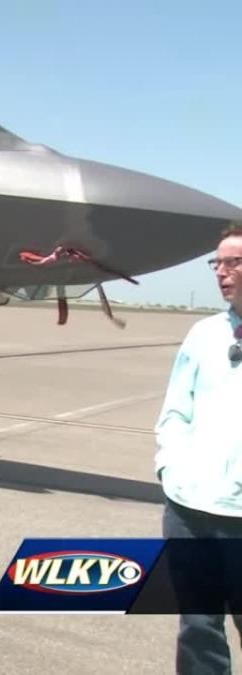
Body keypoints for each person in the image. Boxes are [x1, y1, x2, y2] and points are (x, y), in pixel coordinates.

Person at [154, 224, 242, 674]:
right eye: (217, 264)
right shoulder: (203, 334)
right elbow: (174, 412)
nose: (221, 273)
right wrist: (171, 470)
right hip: (190, 511)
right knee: (198, 629)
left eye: (234, 262)